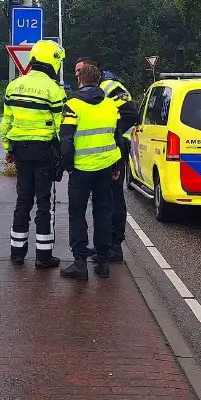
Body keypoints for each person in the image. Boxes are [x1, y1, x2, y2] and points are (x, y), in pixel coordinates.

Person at [0, 39, 67, 268]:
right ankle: (43, 256)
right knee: (44, 203)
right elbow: (61, 127)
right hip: (43, 152)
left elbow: (6, 123)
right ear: (52, 61)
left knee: (23, 201)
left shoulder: (14, 86)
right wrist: (63, 155)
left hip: (20, 151)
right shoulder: (53, 90)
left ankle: (17, 253)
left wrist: (8, 149)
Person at [58, 63, 127, 280]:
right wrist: (116, 166)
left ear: (80, 80)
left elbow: (66, 140)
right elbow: (117, 138)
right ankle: (103, 263)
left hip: (81, 170)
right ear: (98, 81)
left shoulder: (72, 106)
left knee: (77, 214)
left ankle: (80, 264)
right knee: (103, 213)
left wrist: (67, 166)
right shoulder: (111, 105)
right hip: (106, 167)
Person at [74, 58, 136, 263]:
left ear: (93, 70)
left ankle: (115, 246)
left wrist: (112, 135)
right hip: (105, 151)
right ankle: (106, 245)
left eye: (80, 70)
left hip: (114, 151)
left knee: (113, 199)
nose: (77, 75)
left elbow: (130, 113)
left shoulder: (109, 86)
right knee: (105, 201)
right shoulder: (96, 90)